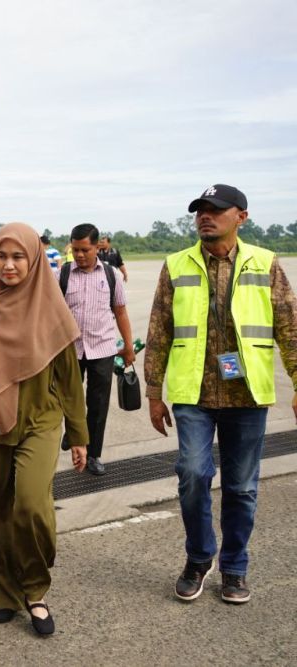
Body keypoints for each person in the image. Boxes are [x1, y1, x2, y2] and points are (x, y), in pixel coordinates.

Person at [144, 184, 297, 605]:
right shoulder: (176, 265)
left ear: (241, 216)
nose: (205, 217)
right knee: (193, 474)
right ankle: (199, 557)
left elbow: (288, 325)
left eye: (215, 210)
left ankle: (234, 568)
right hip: (194, 392)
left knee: (242, 487)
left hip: (246, 395)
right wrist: (154, 392)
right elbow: (158, 331)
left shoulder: (264, 263)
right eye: (200, 211)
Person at [0, 222, 88, 637]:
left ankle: (35, 590)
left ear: (34, 259)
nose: (8, 265)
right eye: (1, 257)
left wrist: (78, 435)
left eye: (18, 256)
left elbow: (69, 380)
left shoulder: (53, 309)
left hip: (40, 421)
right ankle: (3, 595)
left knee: (30, 505)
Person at [57, 223, 136, 475]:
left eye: (85, 250)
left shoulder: (111, 275)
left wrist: (128, 346)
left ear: (96, 247)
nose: (79, 255)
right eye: (75, 250)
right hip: (70, 350)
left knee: (98, 404)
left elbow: (120, 312)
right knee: (67, 399)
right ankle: (73, 431)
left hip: (102, 348)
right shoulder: (63, 274)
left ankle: (94, 455)